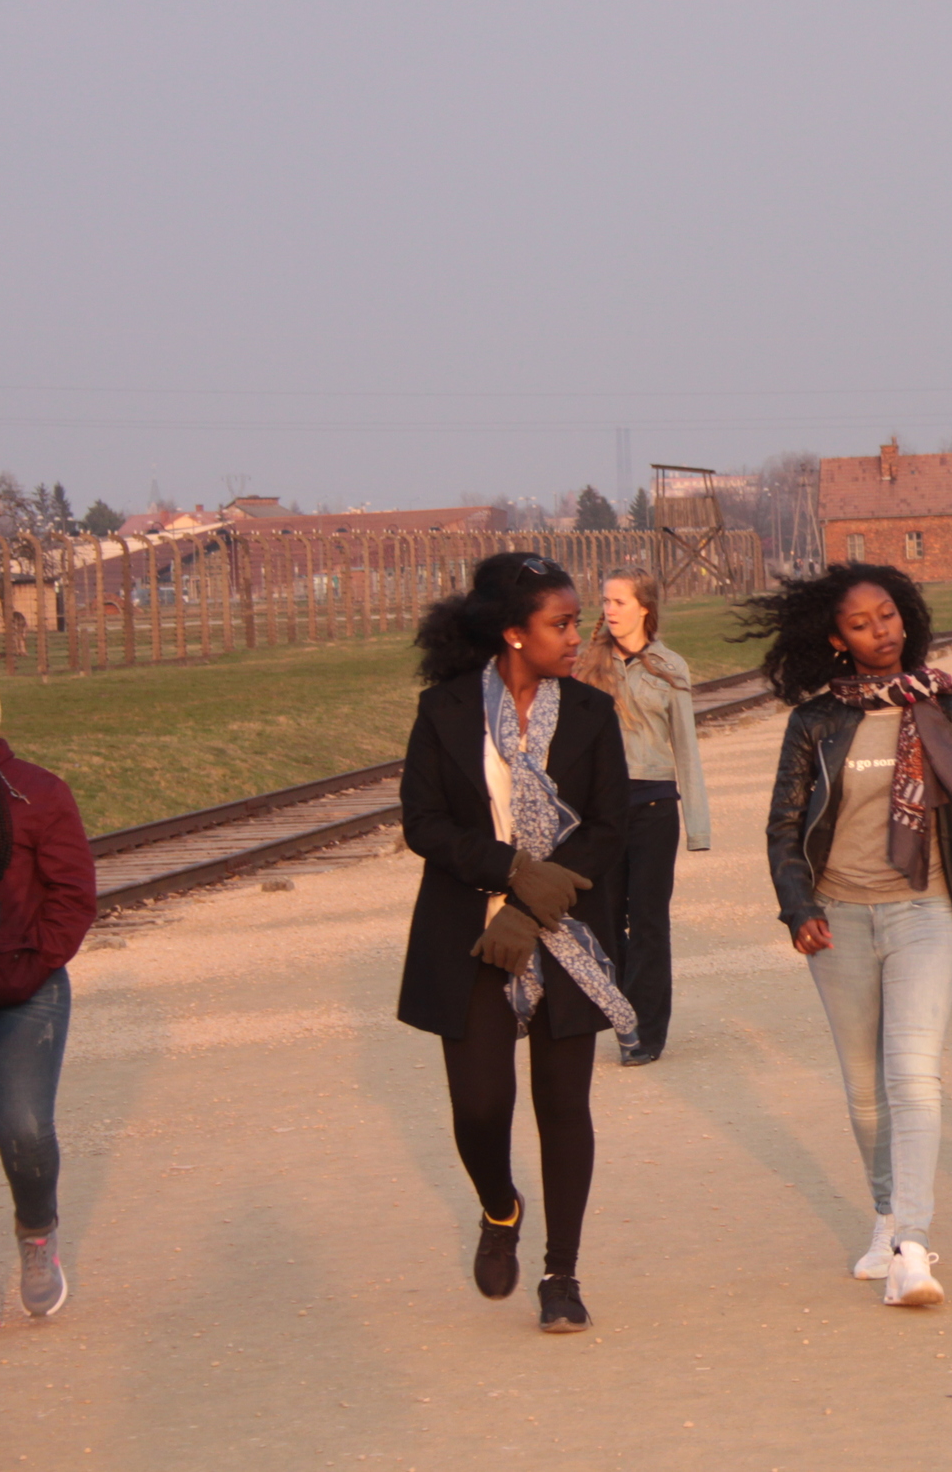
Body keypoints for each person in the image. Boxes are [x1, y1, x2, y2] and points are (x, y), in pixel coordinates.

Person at [755, 563, 952, 1309]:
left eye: (890, 614)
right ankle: (886, 1214)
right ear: (835, 639)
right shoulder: (815, 723)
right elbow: (784, 826)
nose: (883, 630)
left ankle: (912, 1247)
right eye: (863, 623)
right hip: (840, 919)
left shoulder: (946, 707)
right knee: (866, 1092)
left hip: (926, 911)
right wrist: (798, 906)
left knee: (913, 1075)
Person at [398, 553, 636, 1334]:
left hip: (564, 932)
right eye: (560, 623)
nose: (578, 635)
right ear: (512, 632)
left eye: (577, 621)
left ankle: (561, 1273)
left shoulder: (594, 715)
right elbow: (423, 823)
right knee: (479, 1106)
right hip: (465, 934)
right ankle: (499, 1207)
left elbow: (609, 827)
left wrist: (532, 907)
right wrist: (506, 871)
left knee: (563, 1104)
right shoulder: (445, 712)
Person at [0, 664, 95, 1337]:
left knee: (19, 1126)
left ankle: (37, 1228)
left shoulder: (38, 793)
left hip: (27, 990)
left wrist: (33, 961)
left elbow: (73, 892)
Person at [575, 567, 710, 1065]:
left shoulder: (670, 666)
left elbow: (686, 749)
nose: (609, 610)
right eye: (605, 601)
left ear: (644, 608)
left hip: (654, 810)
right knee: (608, 923)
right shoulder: (586, 665)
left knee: (649, 923)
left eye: (618, 601)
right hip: (601, 814)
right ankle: (622, 1012)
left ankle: (645, 1034)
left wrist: (698, 827)